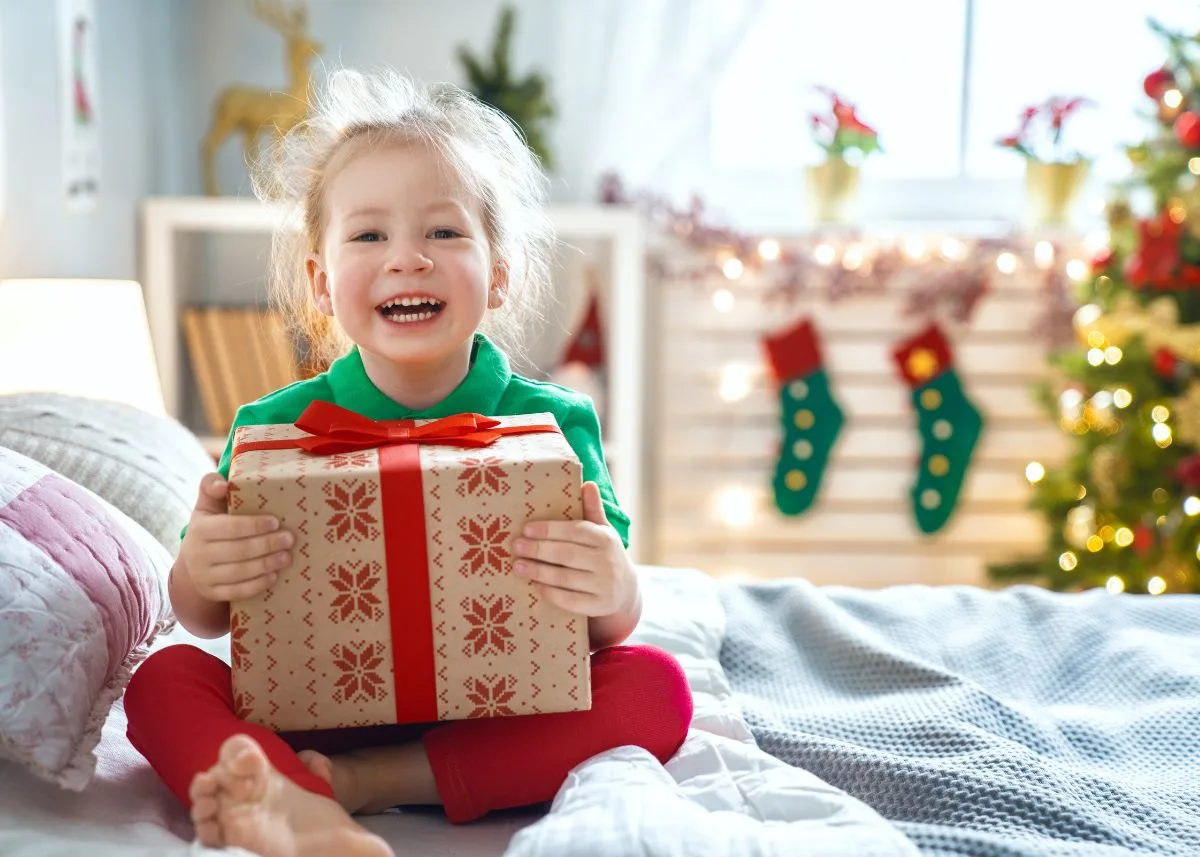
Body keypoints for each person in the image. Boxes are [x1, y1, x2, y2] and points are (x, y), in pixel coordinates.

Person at [124, 69, 693, 857]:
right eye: (368, 236)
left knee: (655, 685)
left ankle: (360, 785)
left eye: (444, 232)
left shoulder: (554, 424)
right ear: (322, 284)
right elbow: (205, 616)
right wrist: (201, 567)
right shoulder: (271, 427)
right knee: (161, 681)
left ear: (499, 272)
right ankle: (296, 806)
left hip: (498, 711)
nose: (407, 260)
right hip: (310, 701)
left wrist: (613, 586)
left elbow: (604, 628)